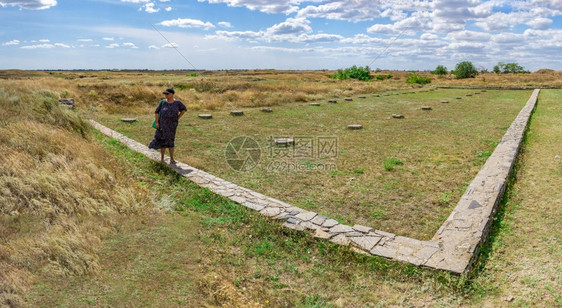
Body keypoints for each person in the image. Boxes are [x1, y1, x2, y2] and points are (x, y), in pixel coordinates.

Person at [148, 88, 187, 163]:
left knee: (171, 140)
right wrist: (157, 122)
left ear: (172, 94)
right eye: (165, 94)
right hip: (162, 125)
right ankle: (162, 158)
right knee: (163, 141)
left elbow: (183, 110)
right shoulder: (162, 102)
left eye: (167, 94)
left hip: (172, 126)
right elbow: (156, 112)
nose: (165, 95)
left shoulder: (177, 102)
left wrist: (177, 118)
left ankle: (172, 158)